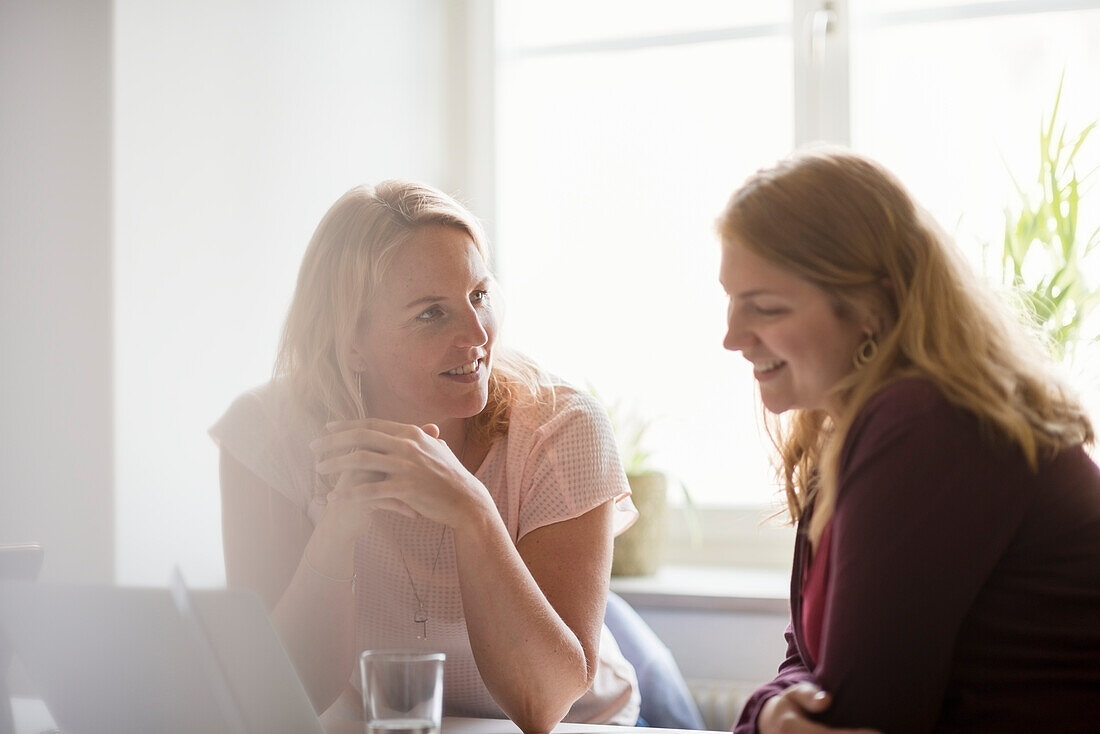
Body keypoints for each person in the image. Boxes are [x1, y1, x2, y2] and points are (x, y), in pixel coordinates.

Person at [209, 181, 640, 733]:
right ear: (351, 343)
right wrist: (336, 532)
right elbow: (279, 698)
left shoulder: (563, 428)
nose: (477, 335)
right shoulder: (268, 435)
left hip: (579, 728)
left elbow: (542, 705)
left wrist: (472, 509)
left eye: (479, 296)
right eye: (432, 313)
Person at [716, 149, 1100, 733]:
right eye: (731, 300)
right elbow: (807, 664)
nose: (732, 337)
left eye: (765, 307)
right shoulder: (847, 428)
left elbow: (860, 715)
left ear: (871, 307)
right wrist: (769, 713)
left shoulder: (926, 419)